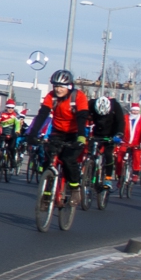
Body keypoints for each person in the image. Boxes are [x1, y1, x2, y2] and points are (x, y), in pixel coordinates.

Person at [27, 69, 92, 201]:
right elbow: (42, 114)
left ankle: (74, 188)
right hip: (58, 132)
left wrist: (81, 136)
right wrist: (33, 133)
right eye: (55, 86)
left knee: (68, 160)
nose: (58, 89)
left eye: (61, 86)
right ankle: (46, 195)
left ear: (69, 86)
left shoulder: (78, 97)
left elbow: (82, 117)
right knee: (48, 161)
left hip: (75, 133)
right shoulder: (51, 97)